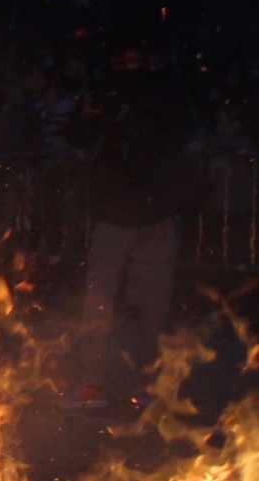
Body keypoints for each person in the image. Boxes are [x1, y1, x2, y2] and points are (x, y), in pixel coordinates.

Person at [69, 41, 200, 407]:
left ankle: (150, 379)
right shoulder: (101, 89)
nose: (126, 67)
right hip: (113, 214)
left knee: (153, 303)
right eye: (119, 60)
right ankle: (92, 382)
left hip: (155, 214)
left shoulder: (166, 95)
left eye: (134, 60)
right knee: (97, 302)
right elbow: (74, 137)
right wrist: (89, 117)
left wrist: (129, 119)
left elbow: (170, 139)